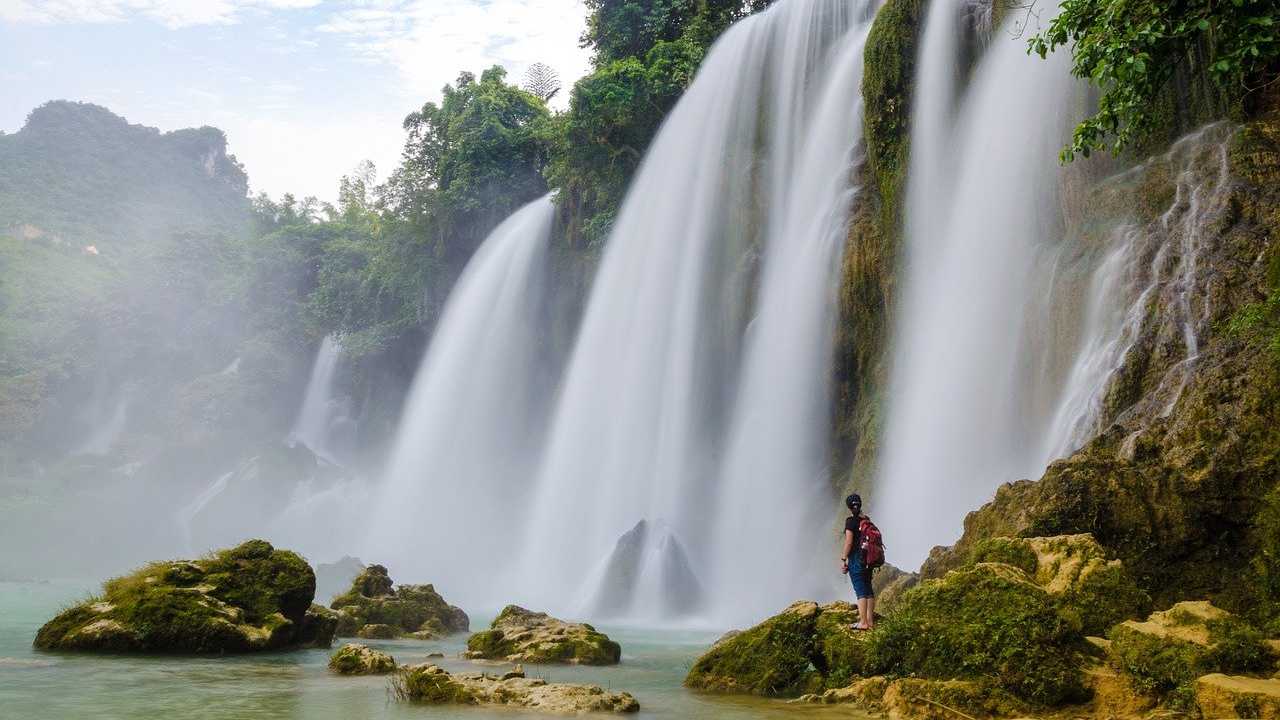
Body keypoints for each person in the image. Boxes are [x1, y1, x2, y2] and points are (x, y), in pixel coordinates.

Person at [840, 493, 876, 630]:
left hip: (856, 558)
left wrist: (843, 558)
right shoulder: (867, 520)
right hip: (869, 558)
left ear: (849, 507)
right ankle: (870, 622)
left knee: (860, 590)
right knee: (868, 589)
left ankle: (863, 623)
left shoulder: (850, 521)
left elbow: (849, 542)